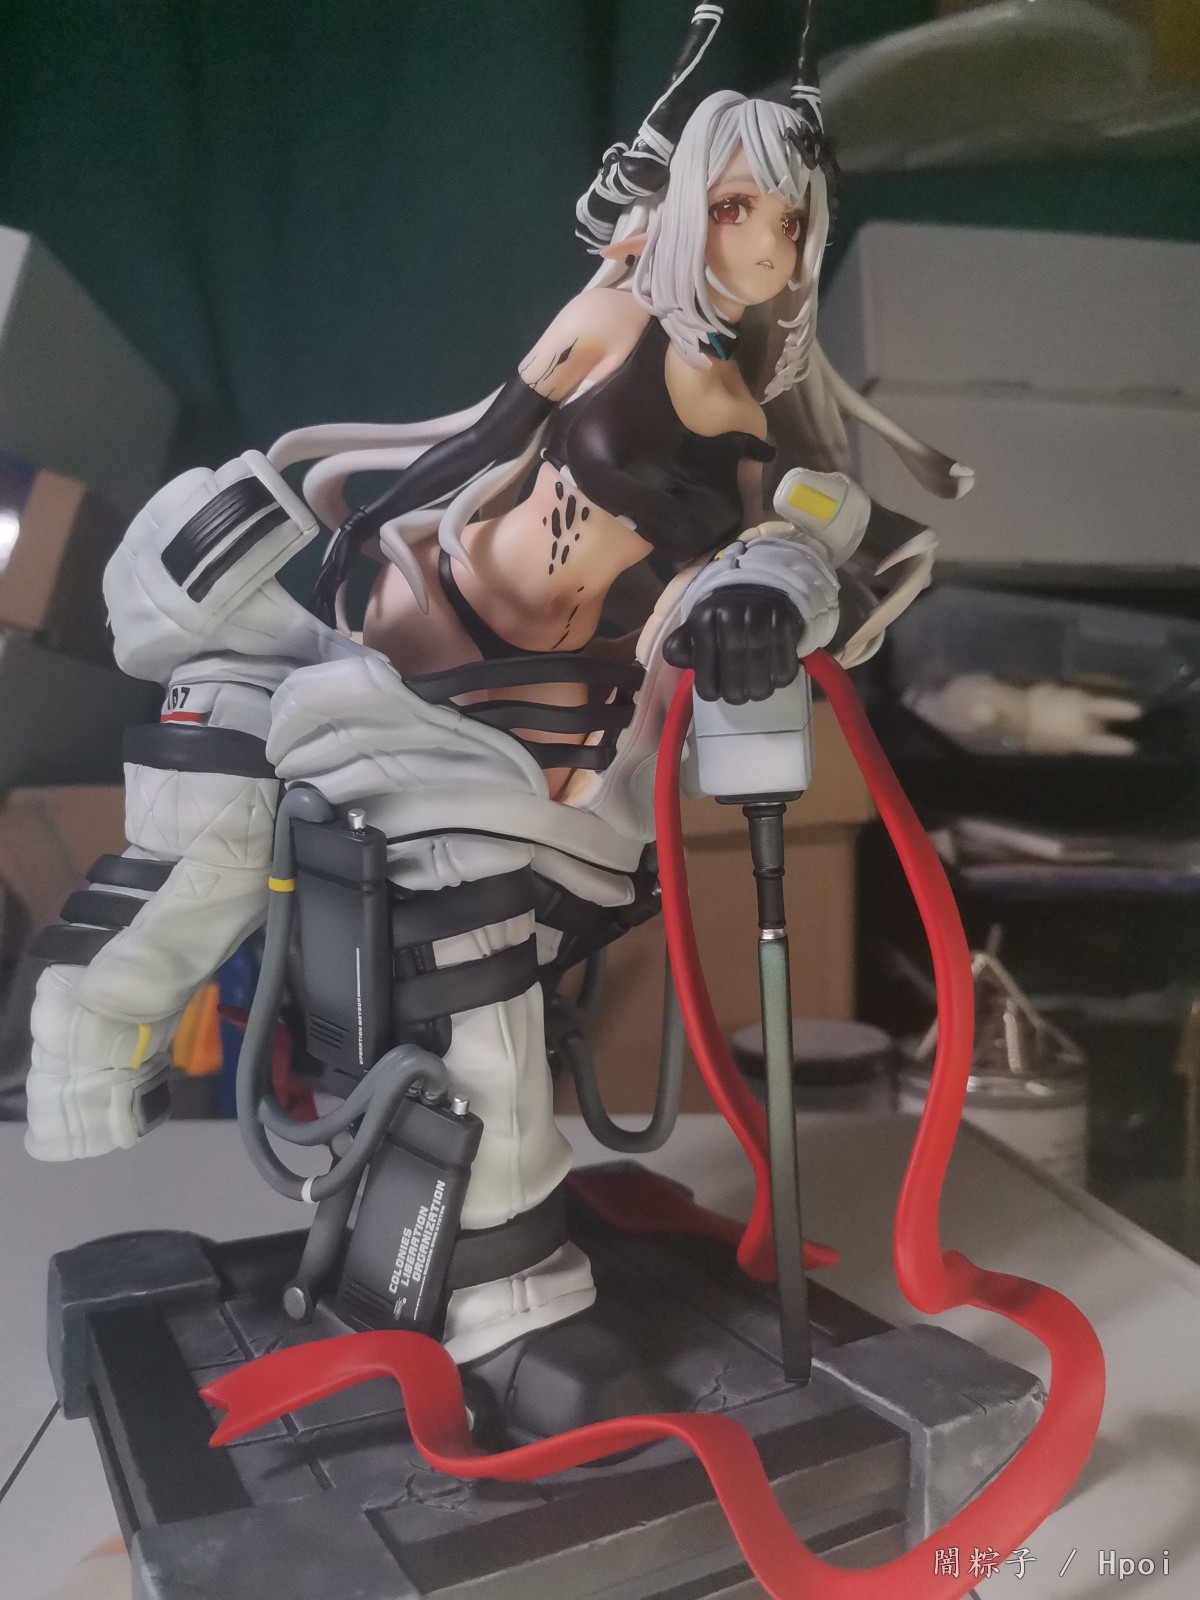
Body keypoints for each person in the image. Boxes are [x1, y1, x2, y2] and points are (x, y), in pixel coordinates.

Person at [24, 3, 967, 1372]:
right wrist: (336, 543)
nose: (764, 244)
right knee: (219, 739)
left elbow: (800, 540)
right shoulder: (608, 316)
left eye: (789, 222)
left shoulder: (753, 422)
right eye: (740, 206)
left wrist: (767, 594)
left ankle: (493, 1288)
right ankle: (89, 1031)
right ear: (691, 205)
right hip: (418, 627)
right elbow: (473, 442)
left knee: (450, 910)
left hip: (543, 741)